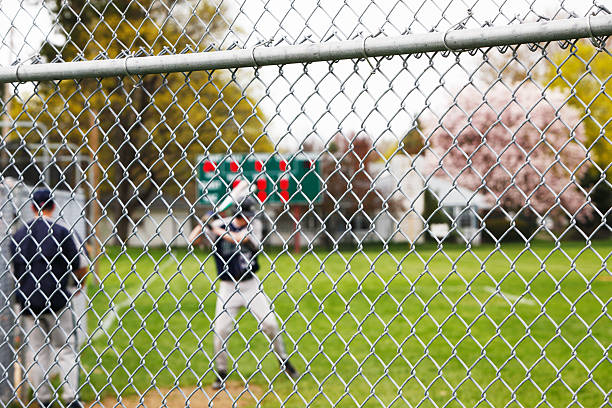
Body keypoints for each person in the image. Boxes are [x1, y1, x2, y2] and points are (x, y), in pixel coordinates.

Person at [189, 196, 299, 389]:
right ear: (236, 213)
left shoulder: (254, 225)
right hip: (227, 288)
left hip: (251, 286)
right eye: (244, 215)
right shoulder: (218, 223)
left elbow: (241, 239)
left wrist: (214, 229)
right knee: (220, 331)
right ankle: (221, 372)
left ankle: (283, 360)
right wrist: (204, 221)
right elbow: (192, 240)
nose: (248, 218)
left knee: (270, 324)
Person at [9, 189, 87, 408]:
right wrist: (79, 283)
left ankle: (43, 399)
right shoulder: (61, 231)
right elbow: (80, 265)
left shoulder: (18, 235)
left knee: (37, 351)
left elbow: (15, 270)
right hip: (56, 300)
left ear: (33, 207)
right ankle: (71, 398)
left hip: (27, 301)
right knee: (66, 349)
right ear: (53, 206)